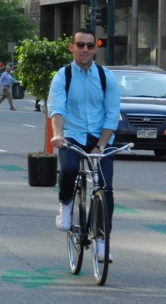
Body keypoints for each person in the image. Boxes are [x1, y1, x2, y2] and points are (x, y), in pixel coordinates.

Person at [47, 28, 120, 259]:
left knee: (105, 188)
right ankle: (65, 203)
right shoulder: (63, 75)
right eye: (80, 45)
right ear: (72, 48)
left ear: (96, 48)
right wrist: (58, 134)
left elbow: (112, 114)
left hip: (101, 138)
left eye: (89, 45)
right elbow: (56, 108)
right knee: (69, 168)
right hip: (73, 135)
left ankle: (101, 240)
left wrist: (101, 146)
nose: (85, 50)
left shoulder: (106, 77)